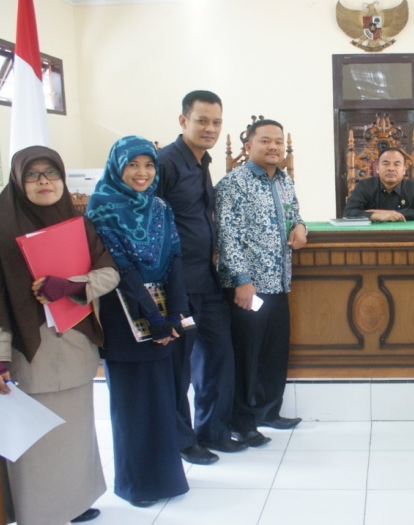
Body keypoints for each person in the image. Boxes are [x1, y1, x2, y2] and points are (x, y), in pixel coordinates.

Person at [0, 146, 119, 524]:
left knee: (75, 432)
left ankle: (74, 502)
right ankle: (39, 513)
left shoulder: (77, 224)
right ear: (17, 179)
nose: (44, 182)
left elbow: (110, 273)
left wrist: (72, 285)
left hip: (74, 344)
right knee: (36, 440)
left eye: (52, 173)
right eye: (33, 175)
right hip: (29, 350)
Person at [87, 136, 190, 507]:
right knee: (133, 403)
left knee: (163, 398)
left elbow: (175, 257)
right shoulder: (101, 206)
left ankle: (166, 479)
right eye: (133, 165)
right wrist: (154, 319)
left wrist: (175, 313)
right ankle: (137, 485)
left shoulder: (160, 206)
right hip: (122, 312)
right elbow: (121, 268)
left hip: (162, 311)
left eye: (148, 165)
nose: (142, 173)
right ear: (117, 166)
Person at [157, 90, 251, 463]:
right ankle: (182, 441)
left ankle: (212, 430)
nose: (210, 128)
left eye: (216, 122)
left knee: (217, 356)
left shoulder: (201, 161)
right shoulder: (165, 162)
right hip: (176, 284)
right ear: (183, 121)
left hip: (206, 279)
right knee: (179, 367)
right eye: (202, 120)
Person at [216, 118, 307, 441]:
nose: (274, 147)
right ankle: (242, 423)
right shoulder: (234, 183)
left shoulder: (283, 180)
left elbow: (294, 213)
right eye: (266, 141)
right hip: (248, 287)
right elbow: (227, 236)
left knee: (273, 352)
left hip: (279, 282)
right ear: (248, 147)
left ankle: (269, 412)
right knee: (246, 356)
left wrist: (301, 227)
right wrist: (242, 280)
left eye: (279, 142)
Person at [343, 147, 414, 221]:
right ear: (377, 169)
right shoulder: (365, 186)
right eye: (386, 163)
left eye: (396, 164)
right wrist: (375, 216)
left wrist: (390, 214)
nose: (391, 168)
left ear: (404, 170)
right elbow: (348, 213)